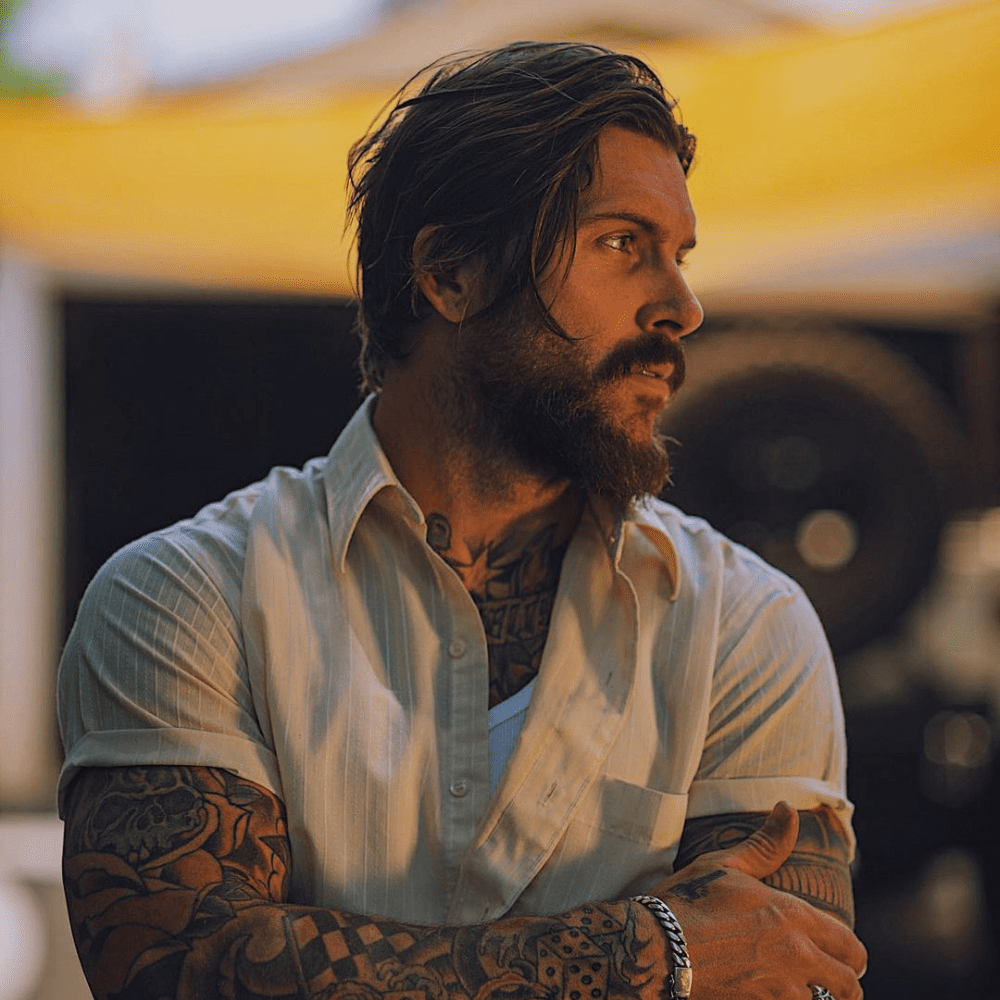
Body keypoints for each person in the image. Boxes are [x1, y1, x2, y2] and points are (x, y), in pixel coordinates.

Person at [57, 41, 867, 1000]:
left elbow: (781, 970)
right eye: (622, 243)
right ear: (451, 275)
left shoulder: (743, 626)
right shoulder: (187, 601)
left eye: (680, 256)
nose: (683, 306)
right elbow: (186, 973)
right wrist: (650, 953)